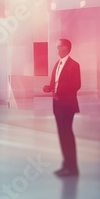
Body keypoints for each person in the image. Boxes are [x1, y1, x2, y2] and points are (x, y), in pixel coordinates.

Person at [43, 39, 81, 177]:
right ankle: (66, 165)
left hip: (67, 104)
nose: (57, 48)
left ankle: (72, 168)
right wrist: (50, 88)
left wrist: (59, 91)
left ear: (65, 48)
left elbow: (76, 85)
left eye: (58, 46)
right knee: (62, 134)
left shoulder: (74, 65)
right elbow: (55, 83)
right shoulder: (56, 65)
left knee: (67, 134)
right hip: (57, 104)